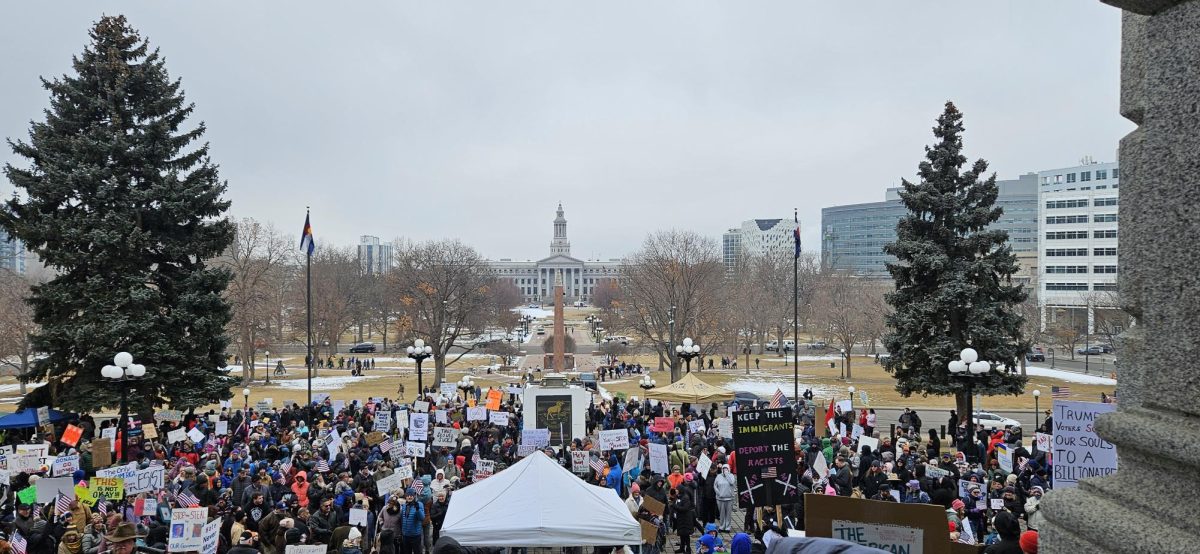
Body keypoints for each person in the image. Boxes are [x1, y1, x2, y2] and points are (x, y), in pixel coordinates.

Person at [399, 488, 425, 554]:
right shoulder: (404, 505)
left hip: (415, 535)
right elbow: (402, 519)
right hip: (405, 535)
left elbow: (422, 518)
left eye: (411, 495)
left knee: (417, 552)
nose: (409, 497)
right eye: (408, 495)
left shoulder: (419, 504)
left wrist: (417, 509)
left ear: (414, 496)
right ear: (406, 496)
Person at [713, 465, 737, 533]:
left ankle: (728, 527)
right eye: (724, 469)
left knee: (728, 514)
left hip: (729, 498)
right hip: (720, 498)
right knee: (722, 513)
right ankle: (722, 526)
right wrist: (718, 493)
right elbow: (715, 486)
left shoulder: (731, 476)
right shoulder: (718, 476)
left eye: (726, 469)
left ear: (729, 469)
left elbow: (732, 482)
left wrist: (727, 475)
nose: (725, 470)